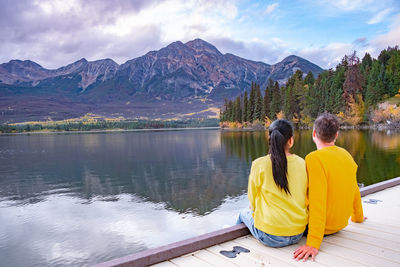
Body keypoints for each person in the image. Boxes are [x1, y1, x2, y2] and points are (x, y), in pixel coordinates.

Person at [294, 113, 366, 261]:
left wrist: (313, 243)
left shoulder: (314, 159)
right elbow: (354, 189)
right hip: (340, 224)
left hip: (322, 229)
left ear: (314, 133)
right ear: (336, 134)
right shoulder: (346, 155)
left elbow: (317, 202)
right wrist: (358, 217)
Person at [237, 119, 308, 247]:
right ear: (291, 141)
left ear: (270, 140)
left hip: (270, 236)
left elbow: (252, 200)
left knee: (243, 214)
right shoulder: (302, 163)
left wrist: (255, 210)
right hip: (298, 232)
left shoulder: (259, 164)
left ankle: (236, 244)